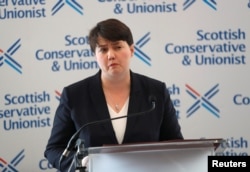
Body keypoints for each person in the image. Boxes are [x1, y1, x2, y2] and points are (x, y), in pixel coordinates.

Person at [44, 18, 184, 171]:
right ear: (95, 55)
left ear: (131, 50)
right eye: (103, 50)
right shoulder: (74, 95)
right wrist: (81, 164)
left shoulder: (156, 92)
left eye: (117, 47)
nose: (111, 55)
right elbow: (54, 149)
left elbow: (175, 144)